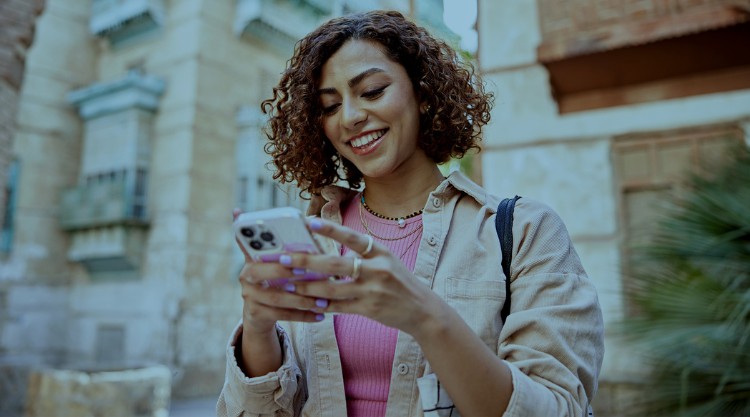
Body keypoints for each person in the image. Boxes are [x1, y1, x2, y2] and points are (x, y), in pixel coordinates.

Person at [217, 10, 604, 417]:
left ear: (422, 93)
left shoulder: (524, 232)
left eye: (372, 91)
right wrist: (258, 330)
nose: (349, 117)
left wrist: (425, 316)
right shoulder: (313, 239)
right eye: (330, 107)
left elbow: (560, 408)